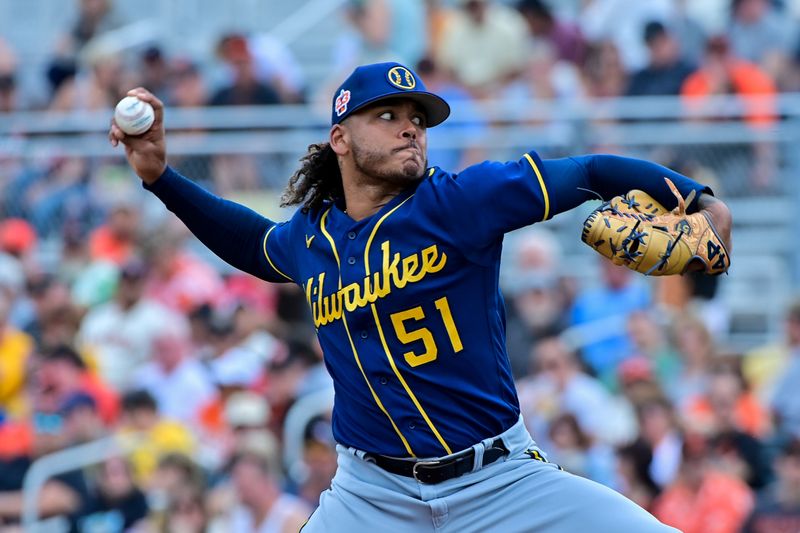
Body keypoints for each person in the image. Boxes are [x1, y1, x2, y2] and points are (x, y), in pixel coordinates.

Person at [110, 60, 732, 532]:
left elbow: (591, 172)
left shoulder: (460, 202)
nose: (411, 128)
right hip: (368, 497)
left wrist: (701, 199)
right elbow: (254, 244)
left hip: (499, 482)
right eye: (388, 116)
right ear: (341, 138)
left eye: (418, 119)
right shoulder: (314, 237)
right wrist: (162, 178)